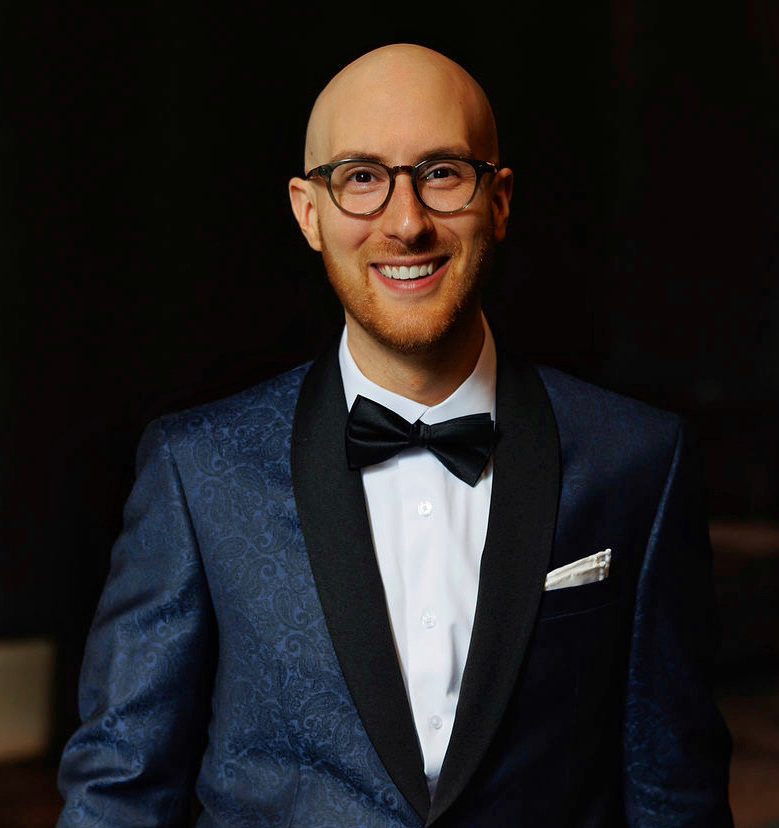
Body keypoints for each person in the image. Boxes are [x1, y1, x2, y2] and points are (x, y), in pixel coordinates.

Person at [56, 43, 733, 827]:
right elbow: (119, 791)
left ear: (500, 200)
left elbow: (673, 791)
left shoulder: (638, 461)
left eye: (443, 173)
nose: (406, 223)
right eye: (362, 179)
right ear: (310, 213)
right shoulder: (195, 469)